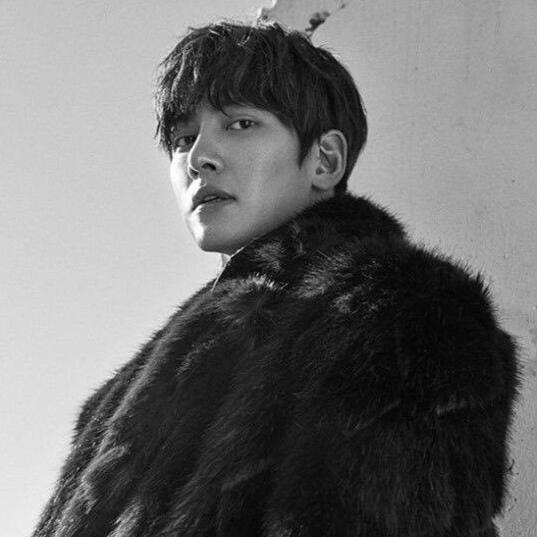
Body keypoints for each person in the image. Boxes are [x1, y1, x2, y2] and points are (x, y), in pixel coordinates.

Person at [32, 20, 519, 537]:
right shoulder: (133, 386)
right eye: (183, 138)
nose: (198, 158)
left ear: (325, 160)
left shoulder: (406, 313)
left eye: (240, 123)